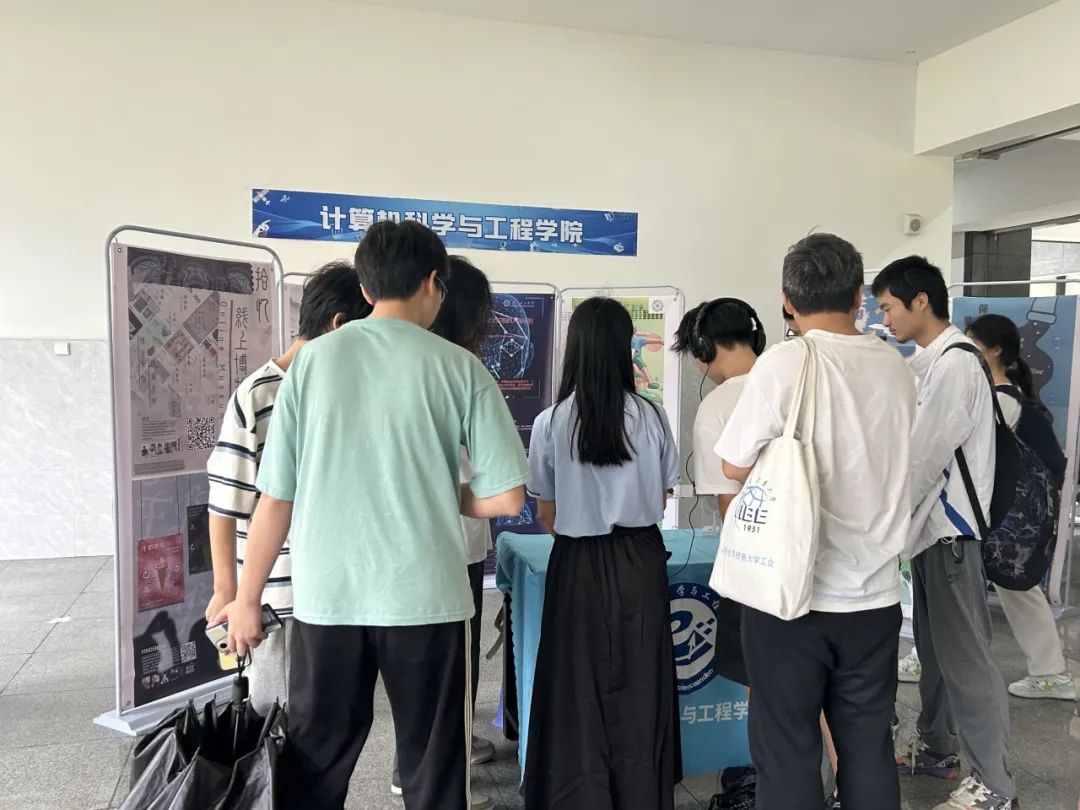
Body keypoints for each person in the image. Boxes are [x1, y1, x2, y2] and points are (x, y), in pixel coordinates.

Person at [214, 220, 531, 810]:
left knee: (315, 761)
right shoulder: (460, 368)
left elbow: (275, 498)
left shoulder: (311, 364)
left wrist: (247, 598)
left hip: (327, 598)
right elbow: (509, 497)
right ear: (433, 283)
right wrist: (450, 495)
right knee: (433, 767)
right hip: (428, 599)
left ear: (365, 287)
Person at [717, 233, 915, 810]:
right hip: (875, 594)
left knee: (787, 748)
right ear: (858, 295)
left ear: (787, 301)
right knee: (868, 746)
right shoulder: (895, 365)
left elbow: (732, 464)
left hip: (791, 597)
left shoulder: (786, 362)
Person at [524, 297, 681, 810]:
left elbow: (546, 512)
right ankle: (642, 792)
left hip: (578, 562)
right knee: (641, 680)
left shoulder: (551, 421)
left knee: (575, 683)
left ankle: (576, 792)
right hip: (640, 558)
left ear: (574, 349)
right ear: (622, 348)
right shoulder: (651, 416)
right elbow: (661, 497)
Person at [873, 256, 1017, 810]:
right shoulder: (930, 362)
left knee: (966, 661)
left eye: (888, 306)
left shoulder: (956, 364)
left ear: (921, 301)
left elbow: (922, 457)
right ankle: (938, 749)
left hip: (951, 534)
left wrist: (881, 526)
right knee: (935, 654)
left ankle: (995, 785)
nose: (884, 318)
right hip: (931, 535)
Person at [204, 260, 370, 712]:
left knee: (327, 713)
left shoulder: (343, 388)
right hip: (279, 594)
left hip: (334, 588)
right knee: (277, 715)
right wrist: (229, 589)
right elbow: (224, 502)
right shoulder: (259, 394)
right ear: (339, 325)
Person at [387, 255, 499, 808]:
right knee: (452, 663)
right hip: (453, 539)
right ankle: (437, 775)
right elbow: (495, 476)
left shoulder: (396, 362)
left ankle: (411, 763)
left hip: (401, 538)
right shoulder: (461, 370)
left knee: (416, 663)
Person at [674, 298, 765, 809]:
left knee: (762, 683)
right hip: (830, 564)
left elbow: (733, 507)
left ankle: (758, 784)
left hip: (757, 572)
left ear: (704, 348)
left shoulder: (719, 406)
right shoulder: (796, 381)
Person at [965, 314, 1075, 702]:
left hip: (1003, 516)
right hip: (1005, 515)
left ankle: (1051, 674)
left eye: (973, 343)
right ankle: (1049, 672)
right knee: (998, 589)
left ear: (995, 350)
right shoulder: (1002, 396)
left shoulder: (1001, 401)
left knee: (1014, 589)